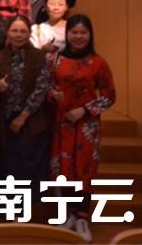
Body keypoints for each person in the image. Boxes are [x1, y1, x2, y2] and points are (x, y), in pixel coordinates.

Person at [47, 14, 115, 242]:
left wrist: (85, 110)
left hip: (87, 126)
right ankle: (68, 215)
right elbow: (46, 87)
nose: (78, 37)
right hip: (62, 124)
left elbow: (109, 96)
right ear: (67, 34)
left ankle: (82, 218)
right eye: (74, 32)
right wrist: (52, 95)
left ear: (90, 35)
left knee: (84, 170)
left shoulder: (98, 63)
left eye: (83, 32)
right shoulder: (55, 59)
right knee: (64, 170)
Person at [0, 15, 51, 187]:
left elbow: (41, 88)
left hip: (30, 120)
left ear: (29, 33)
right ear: (8, 33)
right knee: (6, 168)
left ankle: (27, 204)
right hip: (4, 121)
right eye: (14, 31)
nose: (18, 35)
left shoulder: (38, 56)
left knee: (26, 169)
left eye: (23, 31)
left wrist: (22, 117)